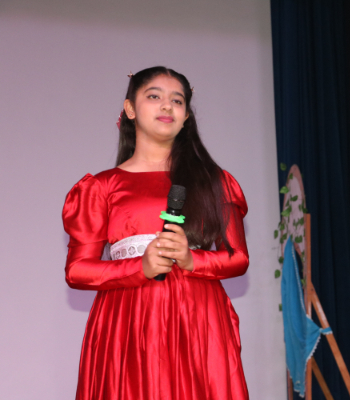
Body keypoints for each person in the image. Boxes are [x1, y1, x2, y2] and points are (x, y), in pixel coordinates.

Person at [62, 66, 249, 400]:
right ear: (130, 109)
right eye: (154, 96)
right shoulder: (101, 186)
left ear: (186, 116)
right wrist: (140, 267)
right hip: (128, 318)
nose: (166, 106)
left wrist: (192, 260)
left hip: (197, 316)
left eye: (177, 100)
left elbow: (238, 258)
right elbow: (77, 270)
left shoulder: (214, 181)